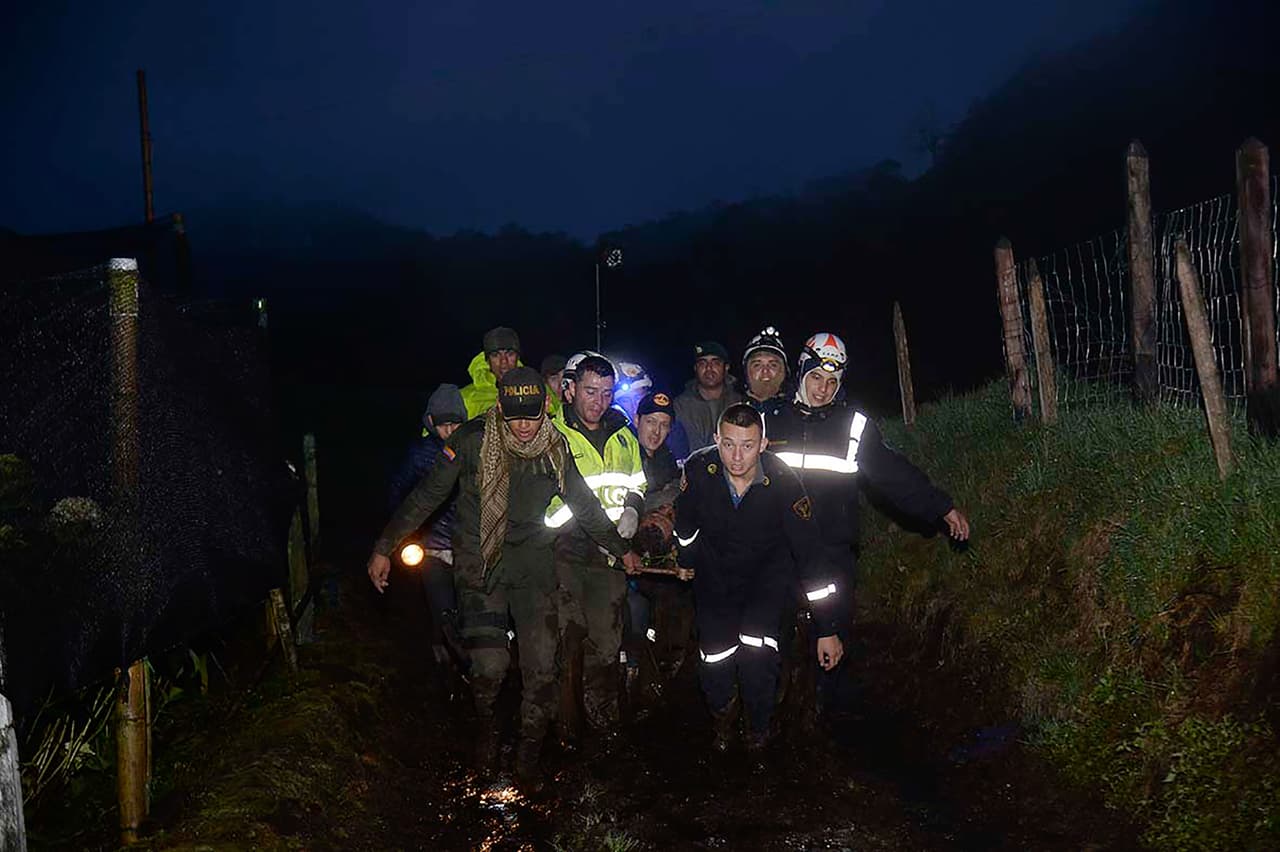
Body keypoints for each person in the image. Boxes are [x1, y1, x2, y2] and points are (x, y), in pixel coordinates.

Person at [367, 367, 641, 790]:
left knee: (541, 667)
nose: (525, 426)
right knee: (491, 666)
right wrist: (384, 545)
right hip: (481, 561)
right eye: (516, 417)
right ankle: (488, 730)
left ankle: (528, 757)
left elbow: (584, 505)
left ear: (545, 410)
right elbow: (427, 496)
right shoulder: (471, 441)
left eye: (532, 416)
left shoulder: (555, 448)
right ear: (500, 408)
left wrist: (622, 549)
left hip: (533, 565)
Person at [768, 332, 970, 718]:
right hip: (779, 554)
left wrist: (941, 507)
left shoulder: (853, 426)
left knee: (831, 643)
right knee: (774, 644)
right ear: (801, 373)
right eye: (816, 378)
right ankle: (777, 719)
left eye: (832, 381)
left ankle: (826, 724)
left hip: (831, 554)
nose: (823, 388)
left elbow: (893, 474)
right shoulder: (769, 419)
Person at [673, 403, 833, 753]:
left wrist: (828, 628)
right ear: (717, 439)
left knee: (758, 655)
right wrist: (686, 558)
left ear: (763, 443)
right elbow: (685, 522)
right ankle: (723, 720)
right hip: (715, 581)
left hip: (766, 582)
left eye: (747, 445)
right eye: (728, 444)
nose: (737, 456)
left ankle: (758, 732)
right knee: (714, 659)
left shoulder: (784, 482)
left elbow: (810, 553)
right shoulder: (700, 468)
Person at [545, 355, 646, 737]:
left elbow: (637, 481)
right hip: (562, 551)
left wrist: (634, 511)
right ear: (570, 389)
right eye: (590, 391)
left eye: (606, 393)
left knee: (606, 643)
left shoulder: (624, 432)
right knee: (566, 640)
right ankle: (563, 727)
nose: (598, 401)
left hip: (609, 556)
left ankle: (602, 722)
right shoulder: (552, 436)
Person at [386, 383, 469, 693]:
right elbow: (400, 493)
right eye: (443, 423)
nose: (449, 430)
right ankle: (443, 665)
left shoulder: (473, 451)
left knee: (468, 612)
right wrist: (404, 534)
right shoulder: (420, 455)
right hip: (432, 548)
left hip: (466, 549)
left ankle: (469, 671)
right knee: (442, 610)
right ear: (431, 423)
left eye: (455, 423)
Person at [622, 390, 695, 714]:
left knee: (676, 603)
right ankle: (633, 674)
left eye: (664, 425)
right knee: (634, 612)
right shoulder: (622, 453)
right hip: (619, 556)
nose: (656, 431)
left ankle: (662, 674)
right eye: (650, 422)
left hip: (656, 560)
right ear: (637, 420)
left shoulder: (666, 460)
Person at [673, 341, 743, 452]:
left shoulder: (740, 402)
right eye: (702, 363)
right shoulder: (679, 406)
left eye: (716, 363)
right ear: (695, 368)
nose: (709, 368)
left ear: (726, 367)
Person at [459, 326, 522, 419]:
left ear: (518, 357)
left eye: (510, 354)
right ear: (487, 361)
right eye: (495, 355)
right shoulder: (465, 398)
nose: (503, 361)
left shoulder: (535, 391)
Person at [741, 326, 792, 423]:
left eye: (773, 365)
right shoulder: (728, 410)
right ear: (746, 372)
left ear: (785, 371)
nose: (765, 371)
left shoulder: (799, 415)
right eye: (757, 365)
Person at [540, 354, 567, 419]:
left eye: (564, 377)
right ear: (545, 382)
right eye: (554, 378)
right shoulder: (542, 412)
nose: (561, 384)